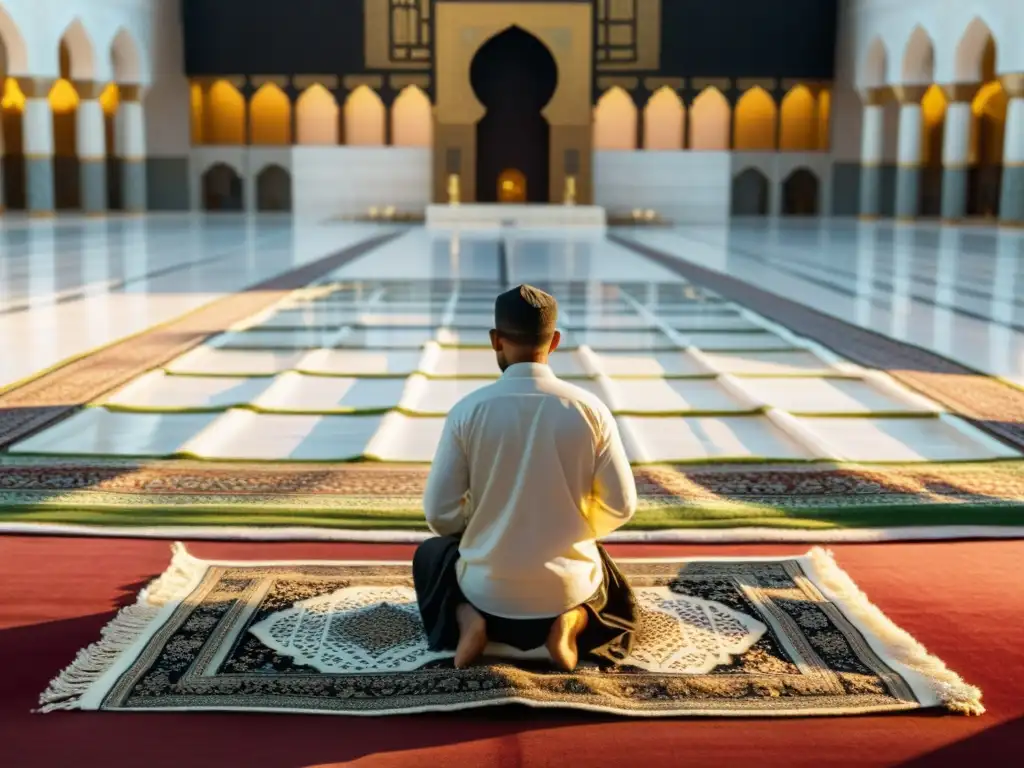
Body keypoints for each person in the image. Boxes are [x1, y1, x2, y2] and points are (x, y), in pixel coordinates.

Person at [413, 284, 639, 671]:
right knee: (610, 582)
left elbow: (439, 514)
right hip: (567, 589)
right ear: (554, 342)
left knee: (431, 555)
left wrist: (476, 532)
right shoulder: (590, 410)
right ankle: (574, 621)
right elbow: (622, 505)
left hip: (486, 591)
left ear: (495, 341)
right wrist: (576, 530)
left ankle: (469, 618)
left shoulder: (468, 410)